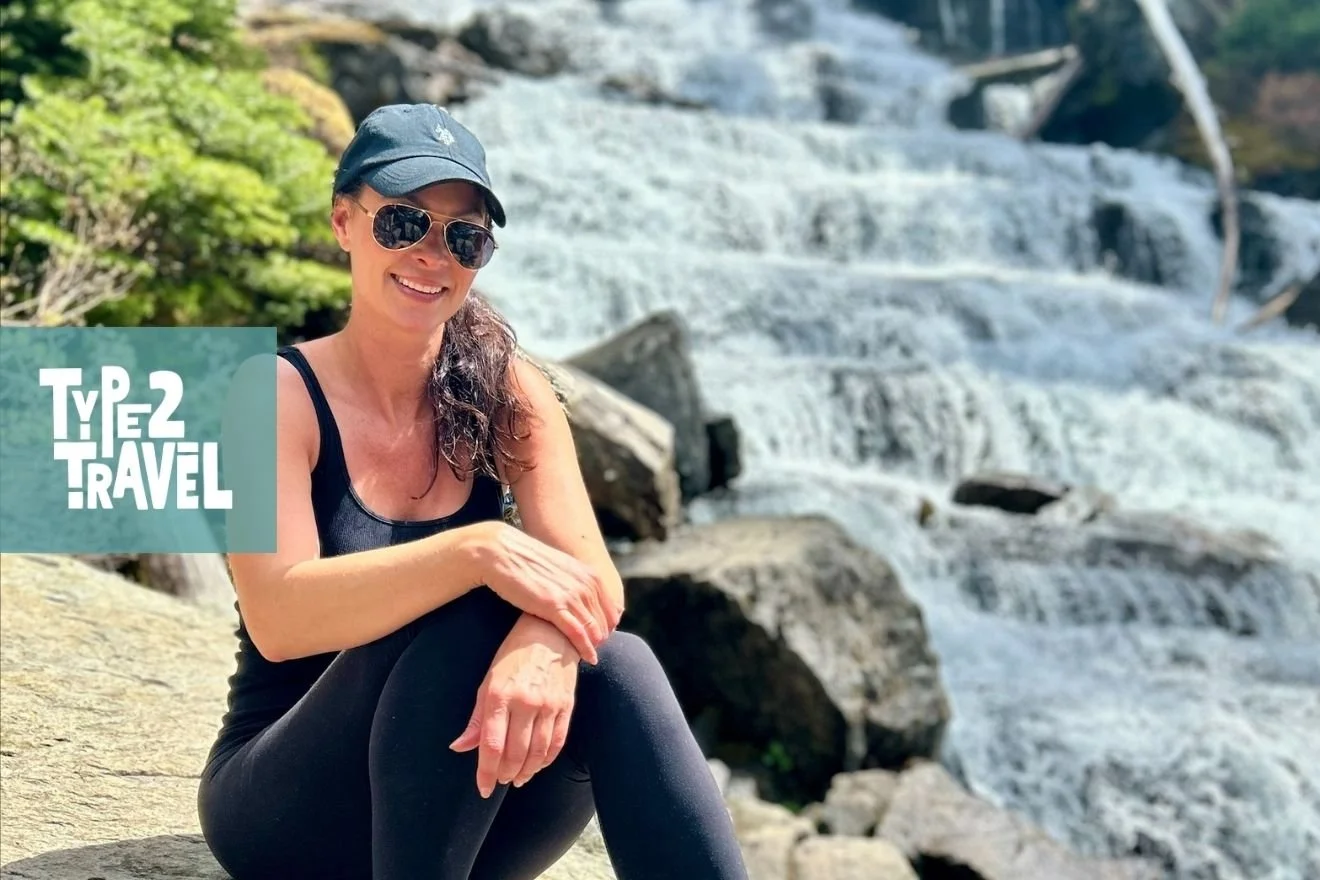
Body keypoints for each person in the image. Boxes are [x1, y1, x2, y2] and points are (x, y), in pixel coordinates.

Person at [196, 104, 750, 880]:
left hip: (468, 813)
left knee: (615, 664)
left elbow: (595, 581)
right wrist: (480, 550)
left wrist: (545, 640)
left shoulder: (510, 389)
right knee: (469, 615)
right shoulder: (270, 396)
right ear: (344, 222)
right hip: (293, 809)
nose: (433, 254)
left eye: (464, 236)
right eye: (403, 223)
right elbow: (281, 618)